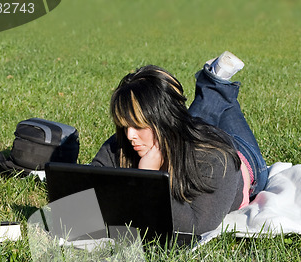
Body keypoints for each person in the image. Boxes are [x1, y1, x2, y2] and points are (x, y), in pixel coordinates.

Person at [91, 51, 268, 235]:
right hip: (184, 132)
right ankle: (215, 83)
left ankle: (215, 84)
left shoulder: (216, 159)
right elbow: (91, 182)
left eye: (138, 126)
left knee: (197, 121)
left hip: (245, 160)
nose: (129, 135)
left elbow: (195, 227)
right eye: (124, 125)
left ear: (163, 122)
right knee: (190, 121)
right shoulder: (126, 142)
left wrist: (148, 180)